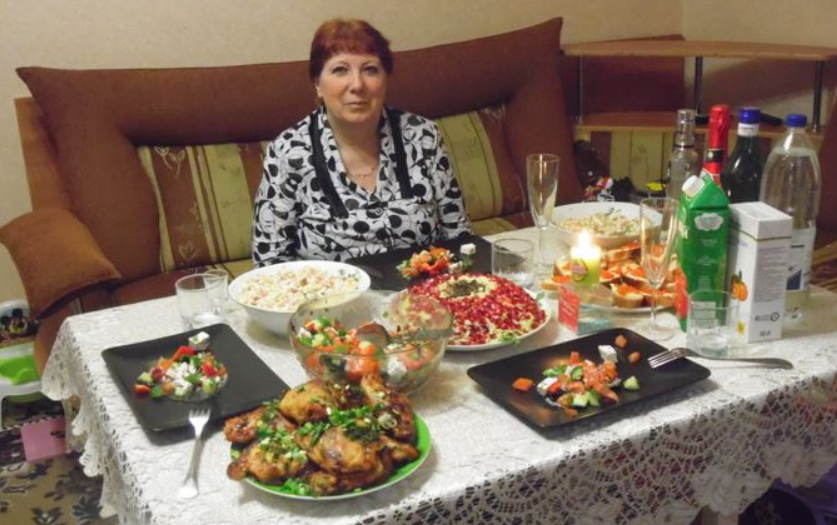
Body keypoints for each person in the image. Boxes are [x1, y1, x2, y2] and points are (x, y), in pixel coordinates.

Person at [252, 18, 471, 266]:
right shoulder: (288, 152)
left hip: (423, 288)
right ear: (317, 83)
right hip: (328, 291)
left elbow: (460, 238)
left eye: (370, 70)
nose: (357, 85)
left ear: (385, 79)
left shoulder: (424, 137)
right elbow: (269, 261)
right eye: (340, 70)